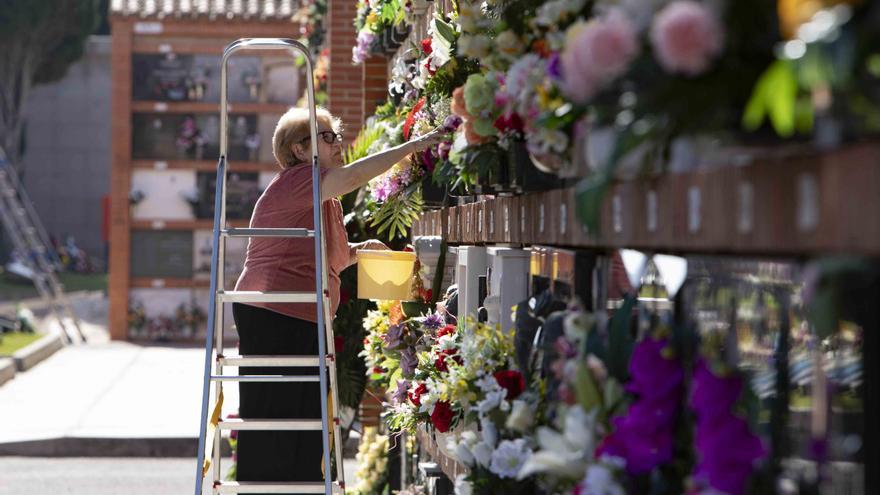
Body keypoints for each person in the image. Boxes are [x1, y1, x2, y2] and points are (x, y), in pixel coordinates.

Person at [232, 106, 443, 488]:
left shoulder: (324, 200)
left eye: (337, 135)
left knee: (306, 416)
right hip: (274, 310)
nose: (338, 143)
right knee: (276, 416)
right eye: (327, 137)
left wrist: (362, 249)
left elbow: (335, 258)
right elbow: (357, 176)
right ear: (298, 149)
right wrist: (417, 145)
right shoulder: (299, 181)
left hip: (299, 313)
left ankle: (300, 486)